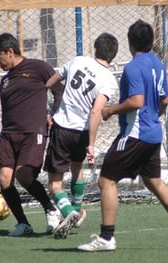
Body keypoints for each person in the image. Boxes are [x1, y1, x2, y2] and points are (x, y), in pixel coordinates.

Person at [78, 20, 168, 251]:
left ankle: (106, 237)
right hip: (152, 133)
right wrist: (153, 117)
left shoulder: (133, 67)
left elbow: (136, 101)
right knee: (154, 181)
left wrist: (110, 110)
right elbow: (165, 100)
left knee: (107, 180)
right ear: (151, 42)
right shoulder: (159, 65)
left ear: (130, 43)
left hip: (134, 134)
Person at [44, 32, 119, 239]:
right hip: (83, 132)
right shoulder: (110, 80)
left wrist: (58, 89)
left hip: (62, 127)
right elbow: (96, 112)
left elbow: (51, 82)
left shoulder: (77, 61)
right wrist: (91, 145)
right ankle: (77, 206)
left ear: (95, 48)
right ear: (112, 56)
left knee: (54, 184)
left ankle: (69, 212)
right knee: (77, 167)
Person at [0, 33, 63, 236]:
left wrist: (55, 115)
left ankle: (51, 209)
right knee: (5, 180)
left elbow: (60, 90)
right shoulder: (4, 80)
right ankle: (23, 223)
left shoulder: (38, 68)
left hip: (33, 133)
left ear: (10, 52)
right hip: (8, 135)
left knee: (23, 175)